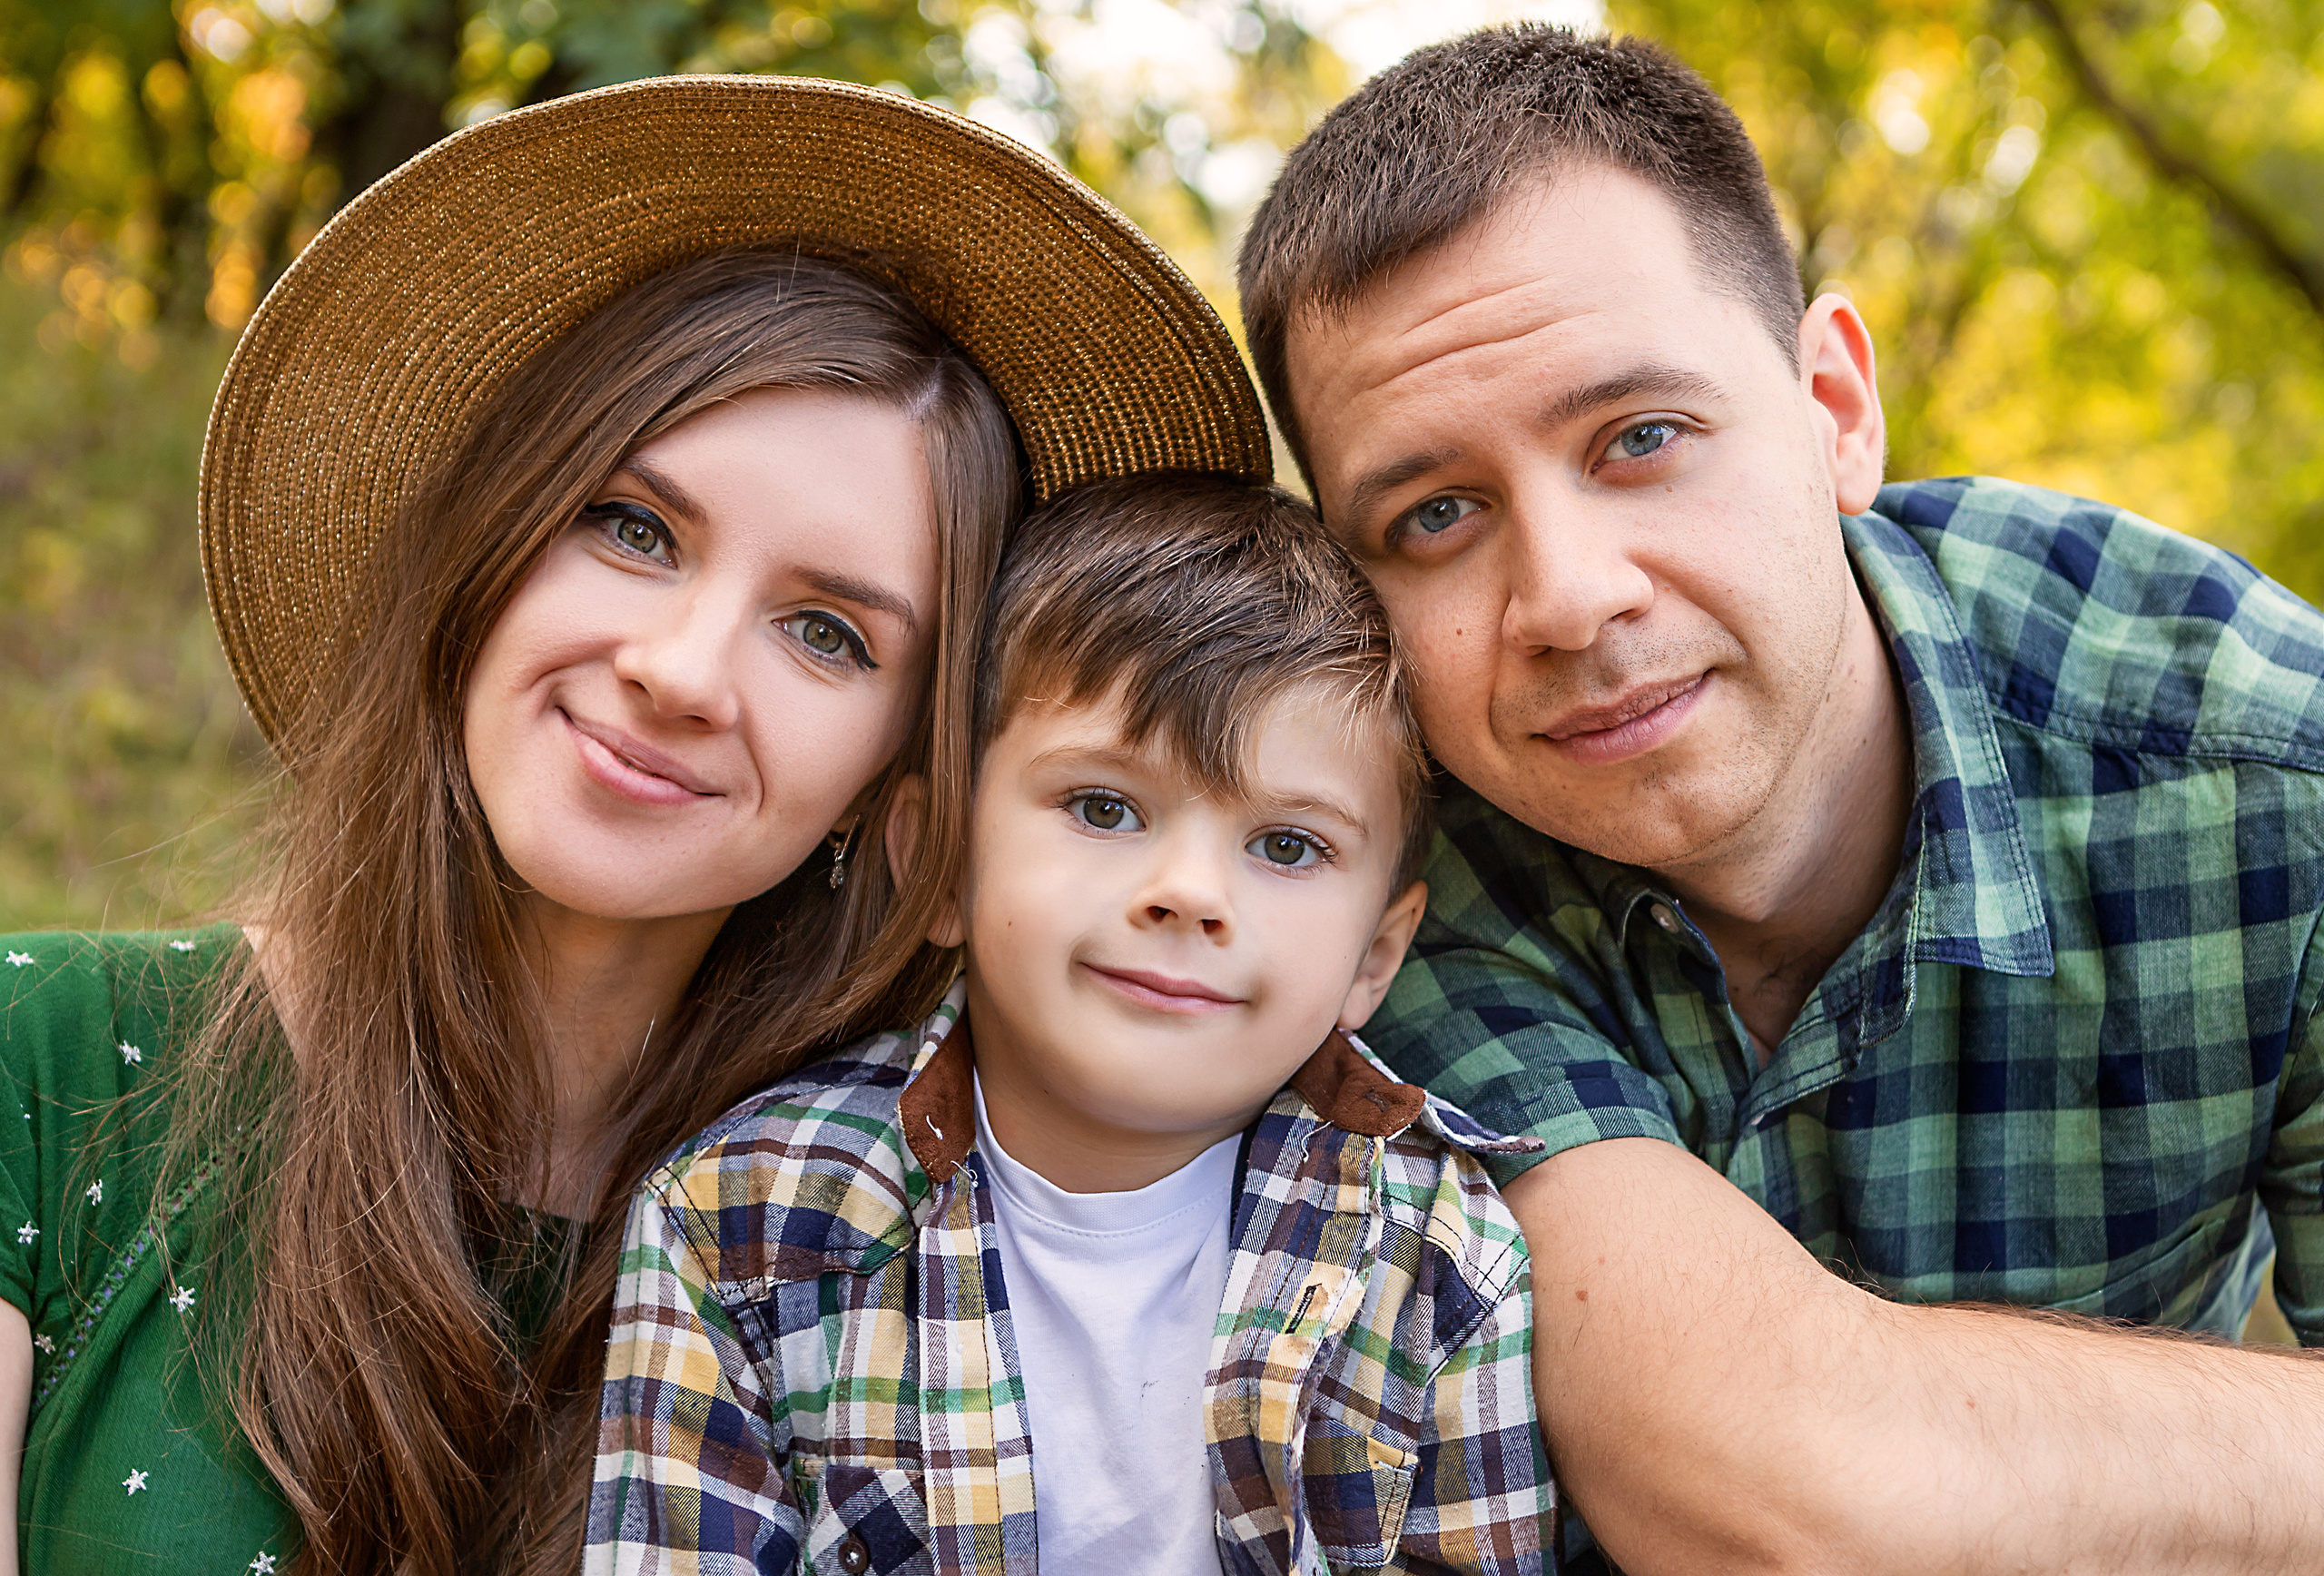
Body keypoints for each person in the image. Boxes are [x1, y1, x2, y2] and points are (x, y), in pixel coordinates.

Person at [0, 76, 1270, 1575]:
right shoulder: (48, 1066)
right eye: (633, 528)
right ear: (495, 544)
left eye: (827, 635)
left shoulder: (919, 1268)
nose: (676, 669)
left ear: (901, 791)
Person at [1234, 23, 2324, 1576]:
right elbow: (1784, 1494)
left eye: (1643, 437)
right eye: (1435, 516)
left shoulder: (2260, 768)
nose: (1566, 596)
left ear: (1835, 408)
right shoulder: (1373, 880)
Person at [586, 472, 1553, 1575]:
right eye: (1105, 807)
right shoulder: (743, 1221)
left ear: (1372, 959)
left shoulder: (1438, 1253)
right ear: (940, 861)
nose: (1189, 891)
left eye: (1287, 845)